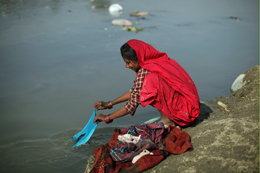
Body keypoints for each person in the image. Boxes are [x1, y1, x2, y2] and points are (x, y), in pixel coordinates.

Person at [93, 39, 200, 127]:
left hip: (185, 115)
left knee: (150, 81)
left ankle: (167, 120)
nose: (127, 66)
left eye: (128, 62)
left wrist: (107, 117)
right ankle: (167, 117)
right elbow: (135, 91)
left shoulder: (145, 72)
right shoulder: (156, 63)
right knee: (147, 85)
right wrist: (109, 104)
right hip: (189, 108)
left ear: (138, 58)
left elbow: (132, 104)